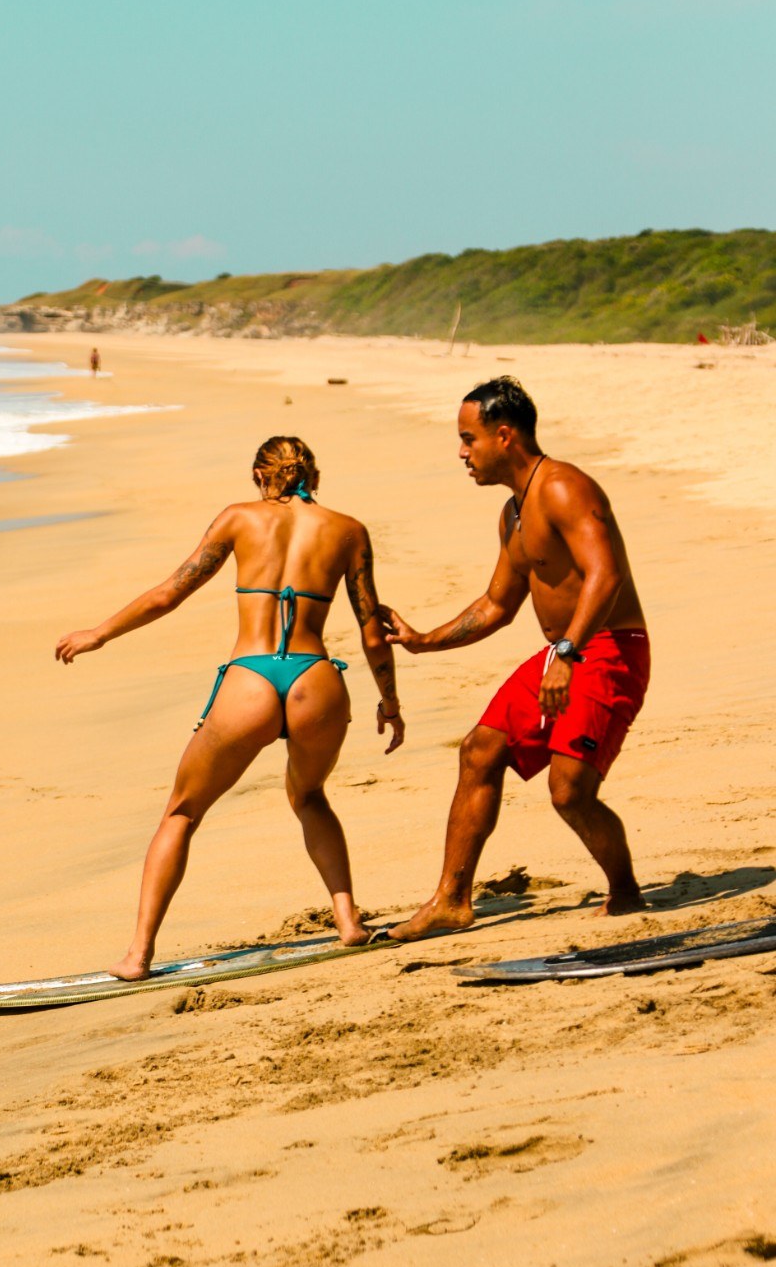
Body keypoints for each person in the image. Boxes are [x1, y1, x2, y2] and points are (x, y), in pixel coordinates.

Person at [55, 436, 405, 979]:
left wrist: (99, 633)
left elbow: (170, 593)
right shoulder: (349, 530)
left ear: (260, 475)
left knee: (182, 812)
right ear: (313, 476)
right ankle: (348, 922)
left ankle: (138, 955)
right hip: (316, 682)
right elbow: (372, 631)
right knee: (310, 796)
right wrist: (390, 701)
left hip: (250, 681)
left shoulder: (238, 518)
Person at [381, 376, 649, 938]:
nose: (462, 453)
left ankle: (625, 891)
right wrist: (424, 639)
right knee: (480, 750)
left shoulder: (564, 487)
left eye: (468, 439)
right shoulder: (514, 512)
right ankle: (451, 901)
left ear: (504, 436)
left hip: (607, 648)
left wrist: (568, 653)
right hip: (565, 652)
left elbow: (606, 574)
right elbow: (497, 604)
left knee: (569, 792)